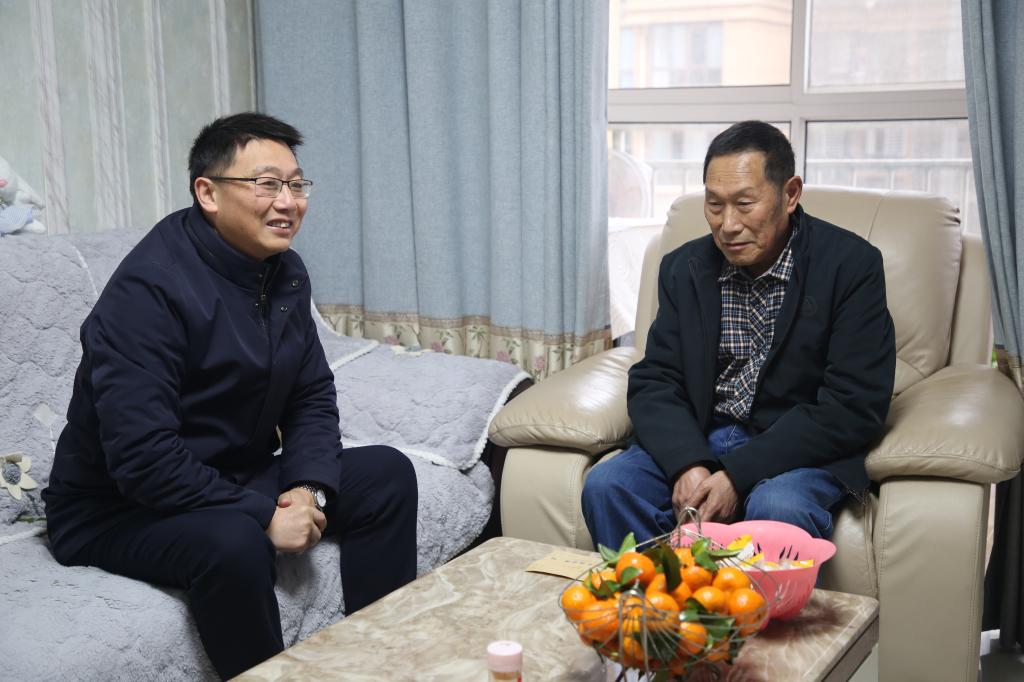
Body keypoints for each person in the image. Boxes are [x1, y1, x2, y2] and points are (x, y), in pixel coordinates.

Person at [42, 112, 418, 679]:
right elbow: (142, 460)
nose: (287, 202)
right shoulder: (148, 291)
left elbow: (311, 394)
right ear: (208, 193)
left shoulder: (281, 271)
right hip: (116, 507)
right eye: (266, 184)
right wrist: (264, 514)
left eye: (296, 184)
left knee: (387, 474)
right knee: (234, 540)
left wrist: (306, 489)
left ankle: (381, 664)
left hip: (229, 475)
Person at [582, 121, 896, 549]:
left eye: (745, 204)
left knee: (777, 509)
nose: (728, 225)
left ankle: (737, 597)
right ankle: (663, 593)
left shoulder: (850, 266)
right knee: (608, 485)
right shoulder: (683, 268)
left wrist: (738, 473)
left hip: (795, 449)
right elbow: (656, 380)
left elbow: (852, 405)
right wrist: (686, 462)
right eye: (714, 205)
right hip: (702, 434)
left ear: (790, 194)